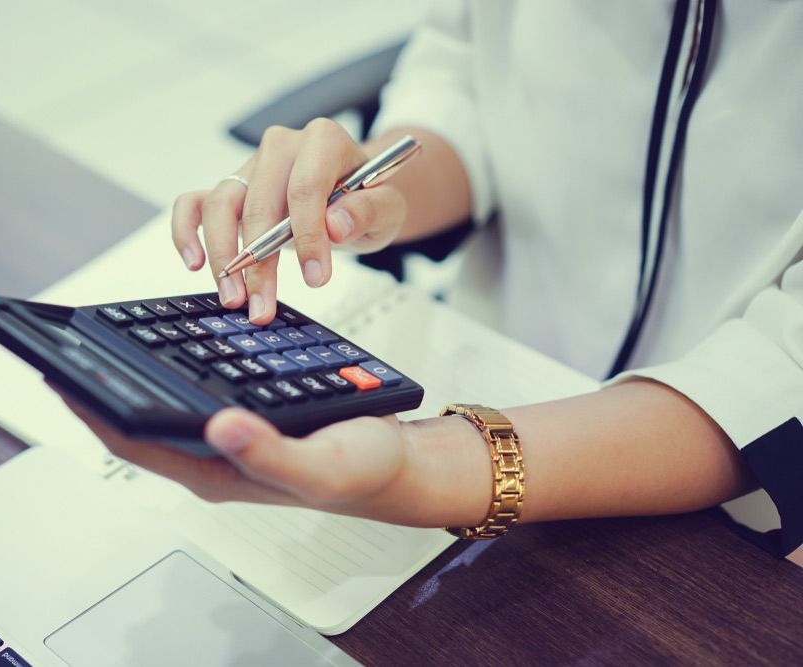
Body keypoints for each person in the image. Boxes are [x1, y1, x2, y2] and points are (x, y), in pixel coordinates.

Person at [59, 1, 802, 560]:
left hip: (717, 512)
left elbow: (779, 371)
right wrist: (375, 191)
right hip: (487, 367)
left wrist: (433, 464)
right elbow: (462, 76)